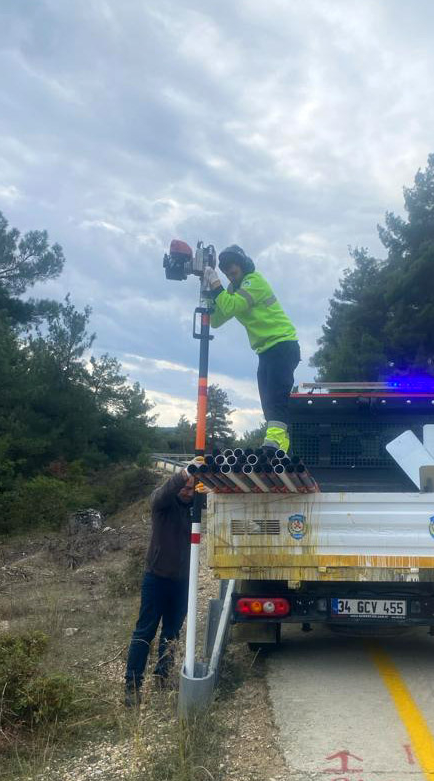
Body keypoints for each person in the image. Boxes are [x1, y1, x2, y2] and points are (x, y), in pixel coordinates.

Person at [203, 245, 300, 453]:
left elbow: (229, 306)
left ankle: (274, 445)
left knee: (276, 397)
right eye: (226, 272)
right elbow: (217, 320)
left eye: (233, 269)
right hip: (265, 350)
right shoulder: (232, 290)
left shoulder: (254, 282)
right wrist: (211, 294)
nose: (230, 274)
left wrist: (215, 283)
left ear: (243, 266)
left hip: (282, 344)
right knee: (268, 400)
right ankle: (280, 446)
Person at [124, 470, 195, 706]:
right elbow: (160, 495)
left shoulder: (194, 510)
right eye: (184, 488)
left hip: (183, 582)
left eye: (192, 488)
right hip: (156, 578)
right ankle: (132, 686)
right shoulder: (162, 504)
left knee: (172, 633)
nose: (187, 492)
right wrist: (184, 473)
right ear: (176, 487)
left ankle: (162, 676)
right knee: (145, 632)